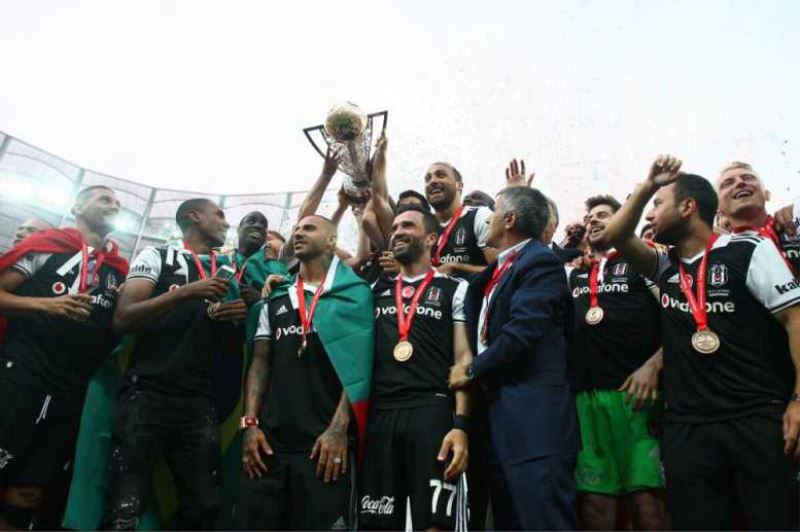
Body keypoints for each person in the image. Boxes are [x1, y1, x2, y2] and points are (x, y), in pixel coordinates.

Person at [603, 155, 800, 530]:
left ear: (688, 207)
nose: (649, 215)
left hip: (754, 419)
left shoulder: (749, 250)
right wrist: (648, 186)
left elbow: (796, 319)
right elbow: (616, 235)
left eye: (658, 204)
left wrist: (798, 399)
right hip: (687, 429)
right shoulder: (664, 266)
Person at [101, 198, 247, 530]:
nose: (226, 223)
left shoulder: (224, 268)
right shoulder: (157, 255)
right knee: (124, 508)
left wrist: (234, 316)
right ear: (194, 216)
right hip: (146, 391)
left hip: (199, 399)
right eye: (219, 215)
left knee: (205, 506)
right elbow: (123, 318)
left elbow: (224, 337)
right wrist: (184, 292)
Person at [449, 186, 580, 530]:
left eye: (494, 212)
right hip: (500, 420)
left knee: (545, 521)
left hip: (536, 421)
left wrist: (472, 369)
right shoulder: (498, 271)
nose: (488, 218)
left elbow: (524, 331)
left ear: (509, 219)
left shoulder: (540, 262)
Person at [0, 186, 128, 530]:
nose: (114, 205)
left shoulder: (118, 271)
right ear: (77, 207)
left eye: (118, 203)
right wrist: (47, 305)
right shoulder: (45, 247)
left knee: (29, 490)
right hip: (22, 376)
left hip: (73, 392)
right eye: (105, 199)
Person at [236, 215, 374, 530]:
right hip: (267, 443)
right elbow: (260, 361)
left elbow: (360, 365)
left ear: (331, 241)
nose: (298, 233)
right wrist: (250, 424)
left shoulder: (355, 294)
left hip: (324, 444)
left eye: (309, 228)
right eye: (296, 229)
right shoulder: (277, 296)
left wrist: (339, 429)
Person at [360, 206, 471, 530]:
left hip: (431, 411)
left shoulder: (454, 288)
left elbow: (463, 359)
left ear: (431, 238)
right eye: (394, 227)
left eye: (407, 225)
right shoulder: (374, 291)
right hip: (381, 414)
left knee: (436, 525)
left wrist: (461, 425)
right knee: (376, 525)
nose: (397, 232)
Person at [567, 195, 666, 530]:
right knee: (595, 504)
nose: (593, 220)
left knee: (647, 503)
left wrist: (655, 365)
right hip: (586, 399)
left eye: (603, 215)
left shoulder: (644, 261)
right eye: (589, 217)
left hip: (637, 397)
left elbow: (680, 317)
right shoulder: (574, 273)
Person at [716, 161, 799, 272]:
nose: (740, 182)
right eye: (728, 183)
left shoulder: (793, 222)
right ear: (718, 207)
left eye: (748, 178)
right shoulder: (717, 253)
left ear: (767, 194)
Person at [424, 162, 496, 278]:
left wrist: (458, 268)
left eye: (441, 175)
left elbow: (502, 272)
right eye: (428, 179)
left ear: (459, 185)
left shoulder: (480, 216)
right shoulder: (422, 225)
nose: (432, 181)